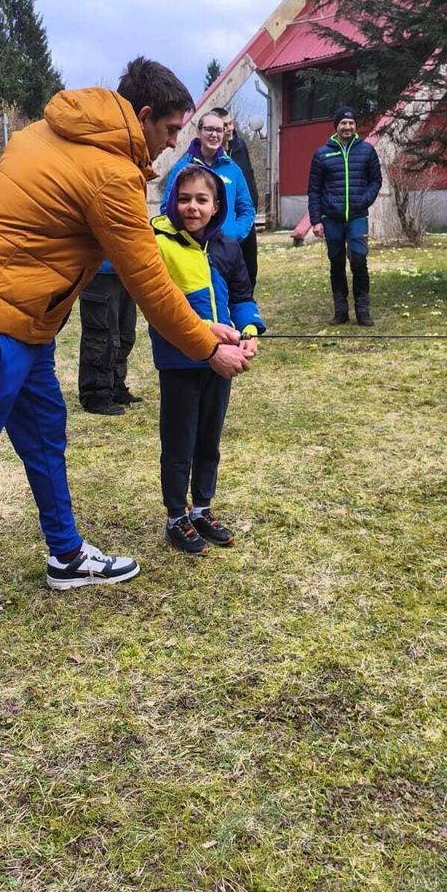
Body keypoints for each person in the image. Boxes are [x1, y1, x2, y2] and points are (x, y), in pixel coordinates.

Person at [0, 58, 251, 662]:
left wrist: (202, 325)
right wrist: (206, 347)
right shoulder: (110, 173)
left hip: (27, 320)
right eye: (171, 129)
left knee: (46, 435)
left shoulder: (48, 129)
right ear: (142, 116)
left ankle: (66, 555)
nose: (175, 143)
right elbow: (147, 279)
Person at [150, 165, 264, 555]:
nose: (192, 207)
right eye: (184, 199)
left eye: (202, 200)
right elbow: (159, 306)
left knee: (208, 439)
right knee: (179, 442)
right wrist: (203, 330)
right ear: (172, 202)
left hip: (223, 360)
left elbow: (242, 297)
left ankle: (201, 509)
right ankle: (175, 517)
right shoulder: (159, 243)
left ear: (217, 206)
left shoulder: (228, 247)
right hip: (179, 360)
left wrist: (248, 330)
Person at [308, 107, 382, 326]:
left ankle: (362, 311)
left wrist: (364, 200)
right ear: (336, 126)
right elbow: (314, 190)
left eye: (351, 123)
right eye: (343, 123)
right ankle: (340, 311)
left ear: (355, 126)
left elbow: (376, 180)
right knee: (336, 263)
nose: (347, 127)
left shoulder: (367, 151)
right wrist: (316, 220)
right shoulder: (322, 154)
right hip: (332, 219)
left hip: (357, 218)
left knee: (359, 261)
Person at [160, 109, 255, 245]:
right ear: (198, 132)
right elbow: (167, 207)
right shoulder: (182, 168)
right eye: (209, 129)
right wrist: (184, 236)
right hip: (190, 247)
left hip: (223, 246)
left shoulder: (233, 170)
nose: (214, 135)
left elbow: (247, 209)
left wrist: (234, 234)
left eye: (219, 130)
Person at [77, 261, 141, 416]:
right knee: (101, 337)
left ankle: (115, 386)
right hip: (98, 271)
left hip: (126, 268)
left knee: (125, 334)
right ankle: (96, 395)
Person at [216, 106, 260, 292]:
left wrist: (251, 210)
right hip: (223, 227)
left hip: (244, 220)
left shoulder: (240, 146)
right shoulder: (208, 157)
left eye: (231, 123)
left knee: (250, 271)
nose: (230, 128)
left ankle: (247, 302)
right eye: (225, 125)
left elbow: (249, 177)